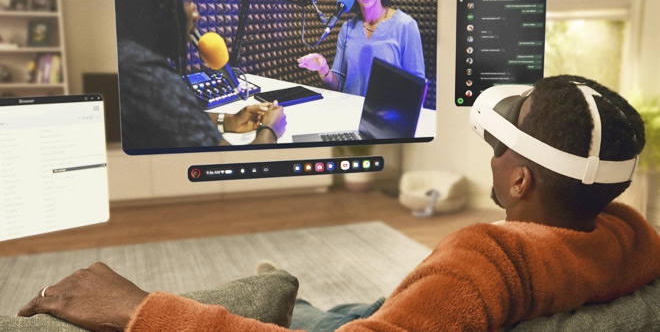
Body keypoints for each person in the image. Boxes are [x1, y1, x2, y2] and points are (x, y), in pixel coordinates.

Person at [17, 75, 660, 331]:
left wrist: (139, 310)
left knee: (312, 314)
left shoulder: (483, 257)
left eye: (500, 148)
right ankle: (294, 296)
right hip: (403, 310)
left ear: (520, 182)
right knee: (351, 302)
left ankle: (283, 301)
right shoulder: (629, 236)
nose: (491, 156)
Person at [114, 0, 286, 150]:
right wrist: (270, 129)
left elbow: (175, 119)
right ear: (159, 8)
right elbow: (232, 166)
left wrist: (230, 121)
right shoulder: (145, 75)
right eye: (188, 0)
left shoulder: (125, 58)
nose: (196, 15)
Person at [297, 0, 426, 96]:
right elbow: (339, 85)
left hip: (382, 118)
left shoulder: (406, 26)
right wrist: (323, 70)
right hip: (349, 113)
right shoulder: (347, 29)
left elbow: (417, 88)